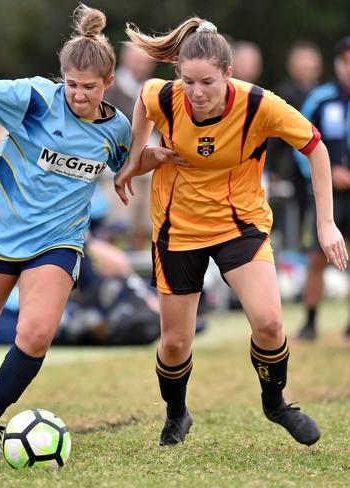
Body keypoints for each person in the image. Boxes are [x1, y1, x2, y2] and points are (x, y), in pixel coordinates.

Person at [0, 4, 180, 456]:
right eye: (71, 85)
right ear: (61, 79)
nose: (78, 94)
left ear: (108, 84)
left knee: (36, 334)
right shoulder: (36, 98)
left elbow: (128, 162)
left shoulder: (115, 128)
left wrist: (164, 154)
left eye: (88, 88)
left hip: (57, 242)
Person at [116, 17, 347, 447]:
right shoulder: (162, 96)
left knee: (269, 321)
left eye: (207, 82)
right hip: (176, 227)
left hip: (239, 225)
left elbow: (316, 148)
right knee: (174, 343)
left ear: (229, 74)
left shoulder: (260, 105)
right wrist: (136, 155)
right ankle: (177, 414)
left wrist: (325, 222)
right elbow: (144, 106)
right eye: (188, 81)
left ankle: (275, 403)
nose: (197, 92)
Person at [296, 37, 350, 341]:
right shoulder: (320, 99)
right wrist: (326, 175)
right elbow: (299, 143)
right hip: (326, 194)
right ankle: (309, 321)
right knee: (317, 257)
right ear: (338, 63)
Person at [103, 44, 158, 250]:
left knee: (143, 225)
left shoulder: (151, 88)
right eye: (139, 60)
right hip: (118, 165)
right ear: (126, 60)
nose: (143, 65)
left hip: (148, 167)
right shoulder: (112, 88)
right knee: (116, 223)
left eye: (146, 61)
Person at [269, 41, 323, 249]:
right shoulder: (283, 94)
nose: (306, 69)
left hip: (319, 161)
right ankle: (294, 252)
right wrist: (273, 169)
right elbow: (273, 138)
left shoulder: (323, 95)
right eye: (302, 64)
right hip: (292, 167)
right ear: (291, 66)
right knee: (294, 213)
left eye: (310, 64)